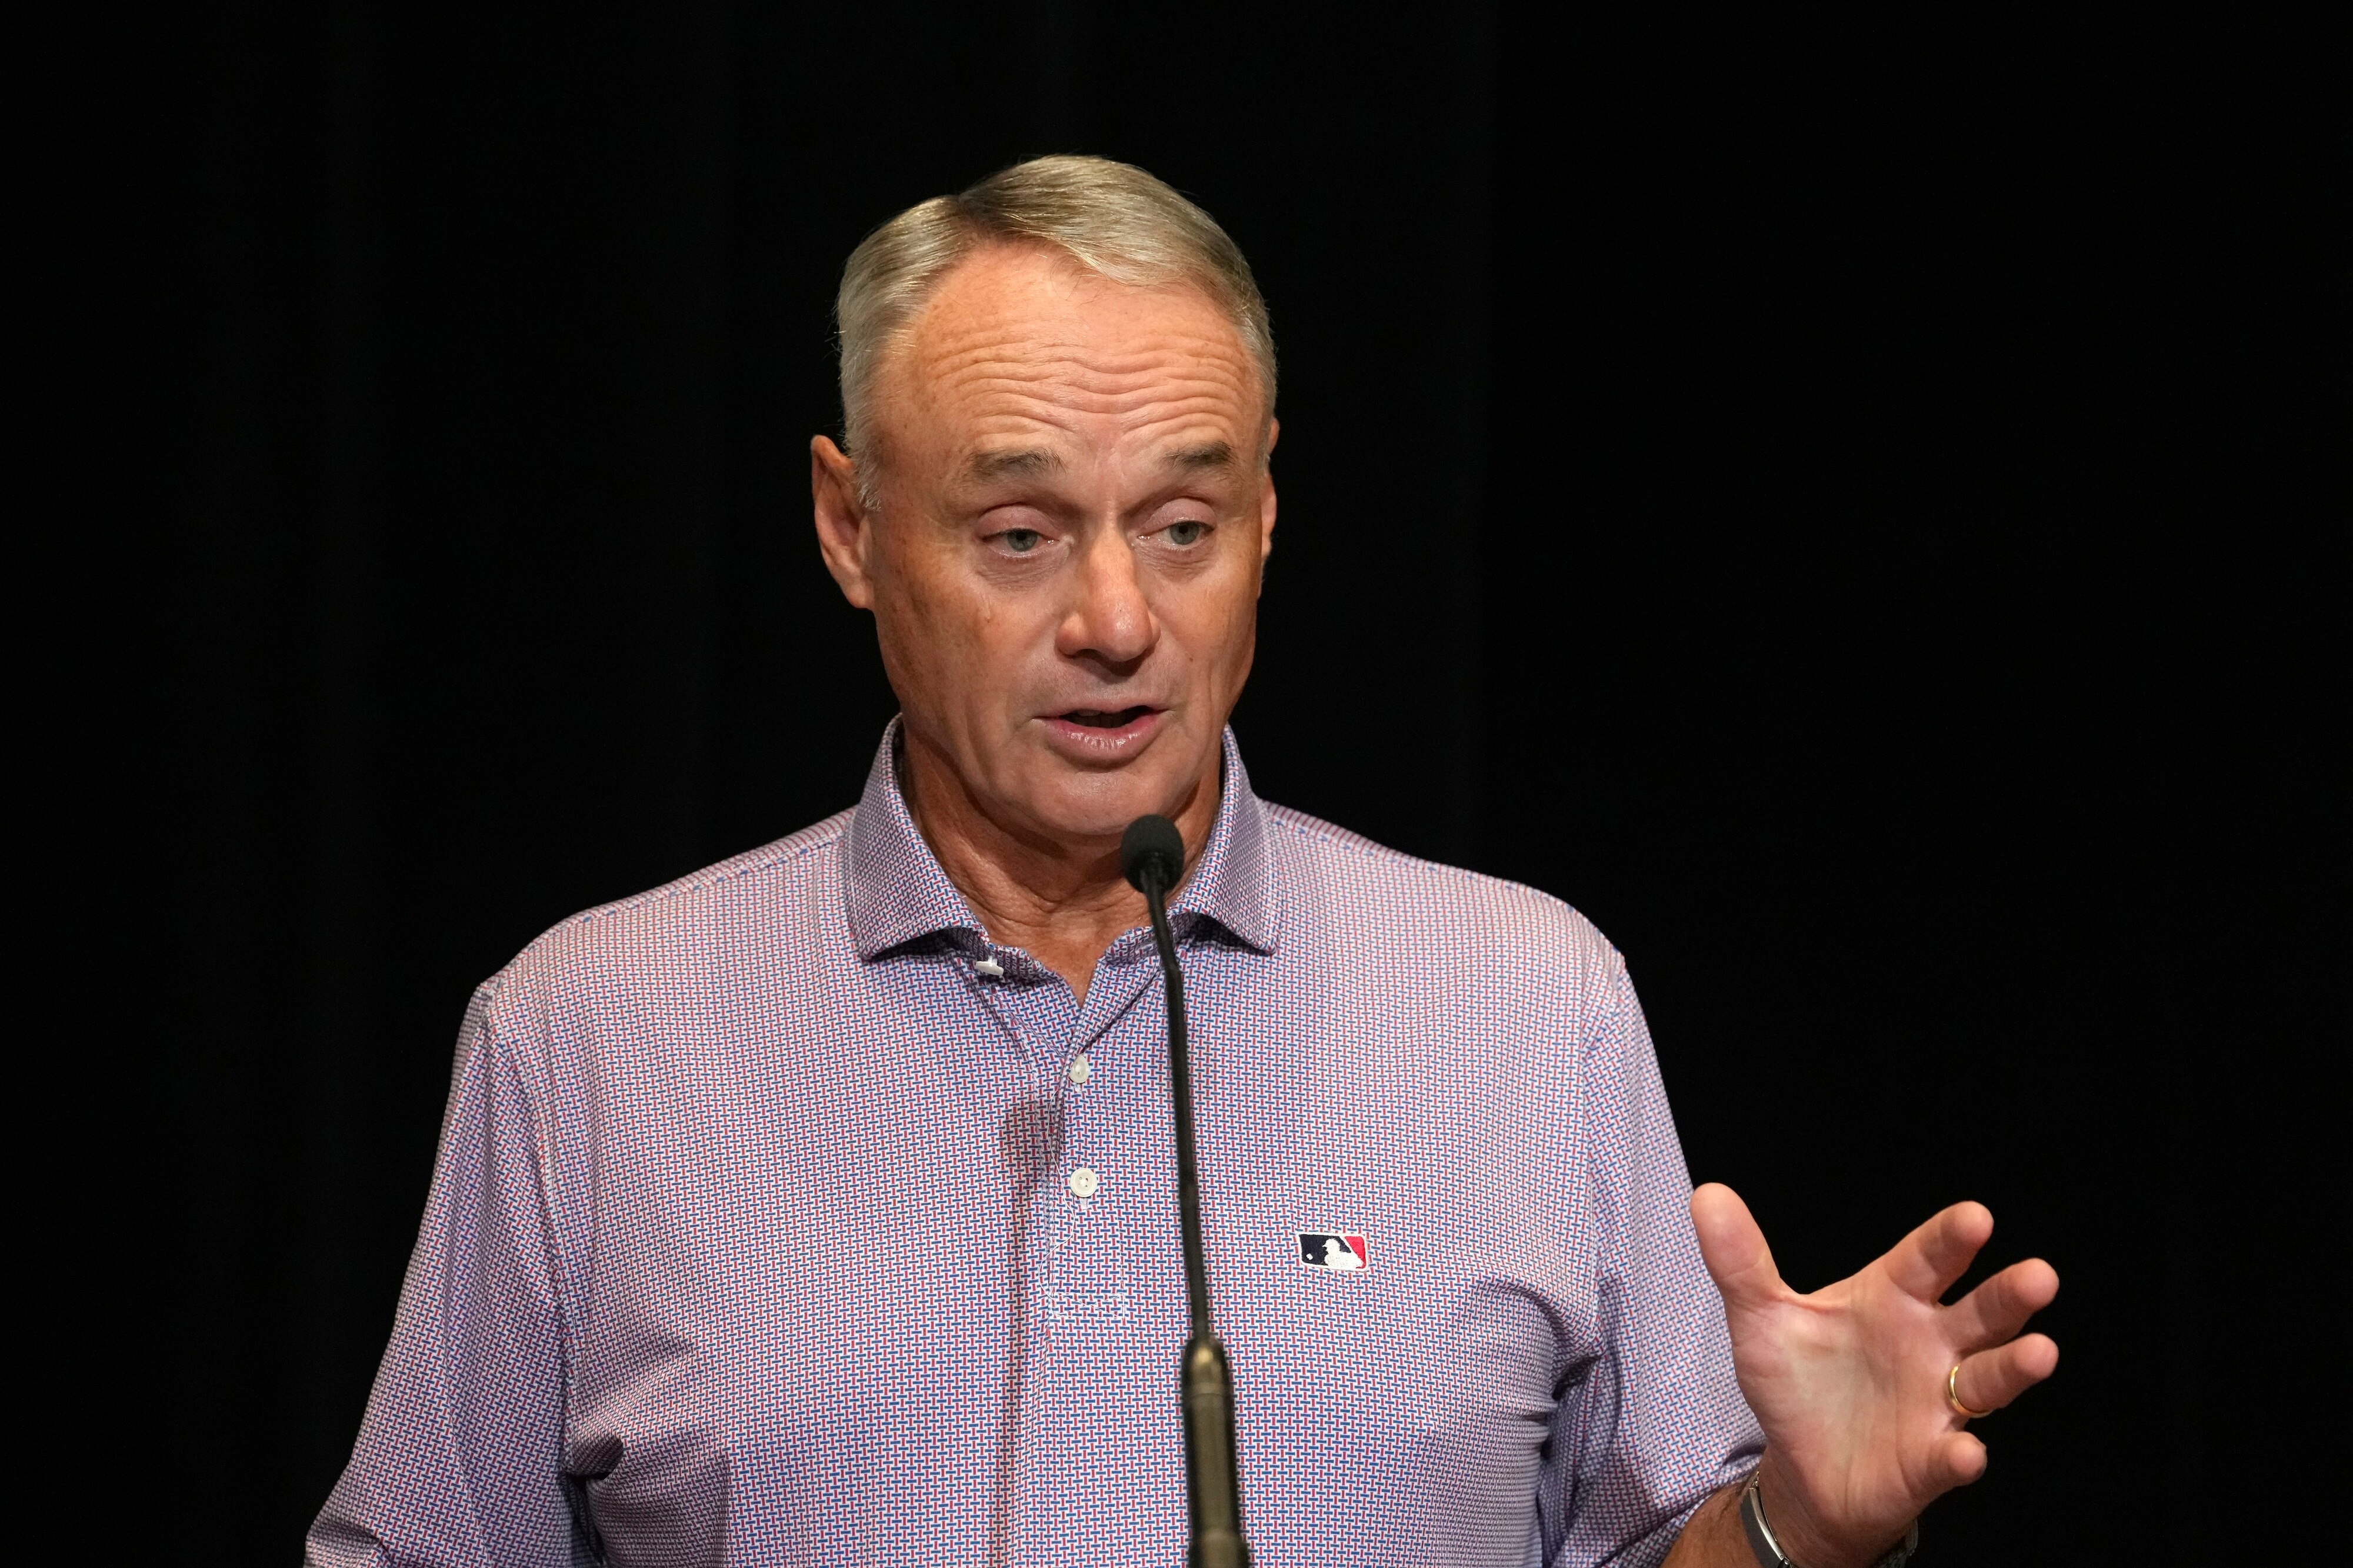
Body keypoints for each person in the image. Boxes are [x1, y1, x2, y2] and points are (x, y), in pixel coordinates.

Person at [308, 156, 2057, 1568]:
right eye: (1018, 533)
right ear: (851, 525)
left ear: (1271, 513)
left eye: (1184, 527)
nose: (1117, 621)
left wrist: (1789, 1531)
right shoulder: (589, 1033)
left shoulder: (1531, 1003)